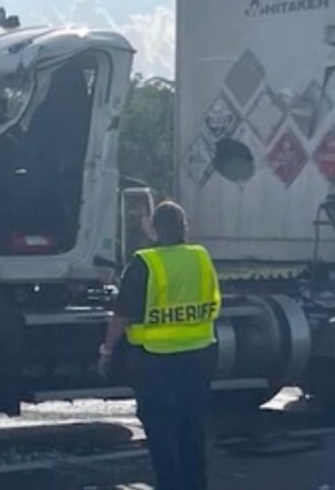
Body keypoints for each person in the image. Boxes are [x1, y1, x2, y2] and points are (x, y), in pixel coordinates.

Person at [99, 201, 221, 490]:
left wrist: (106, 352)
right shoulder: (200, 257)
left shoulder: (145, 262)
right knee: (192, 430)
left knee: (162, 432)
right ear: (184, 228)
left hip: (157, 360)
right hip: (200, 353)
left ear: (155, 229)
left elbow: (121, 315)